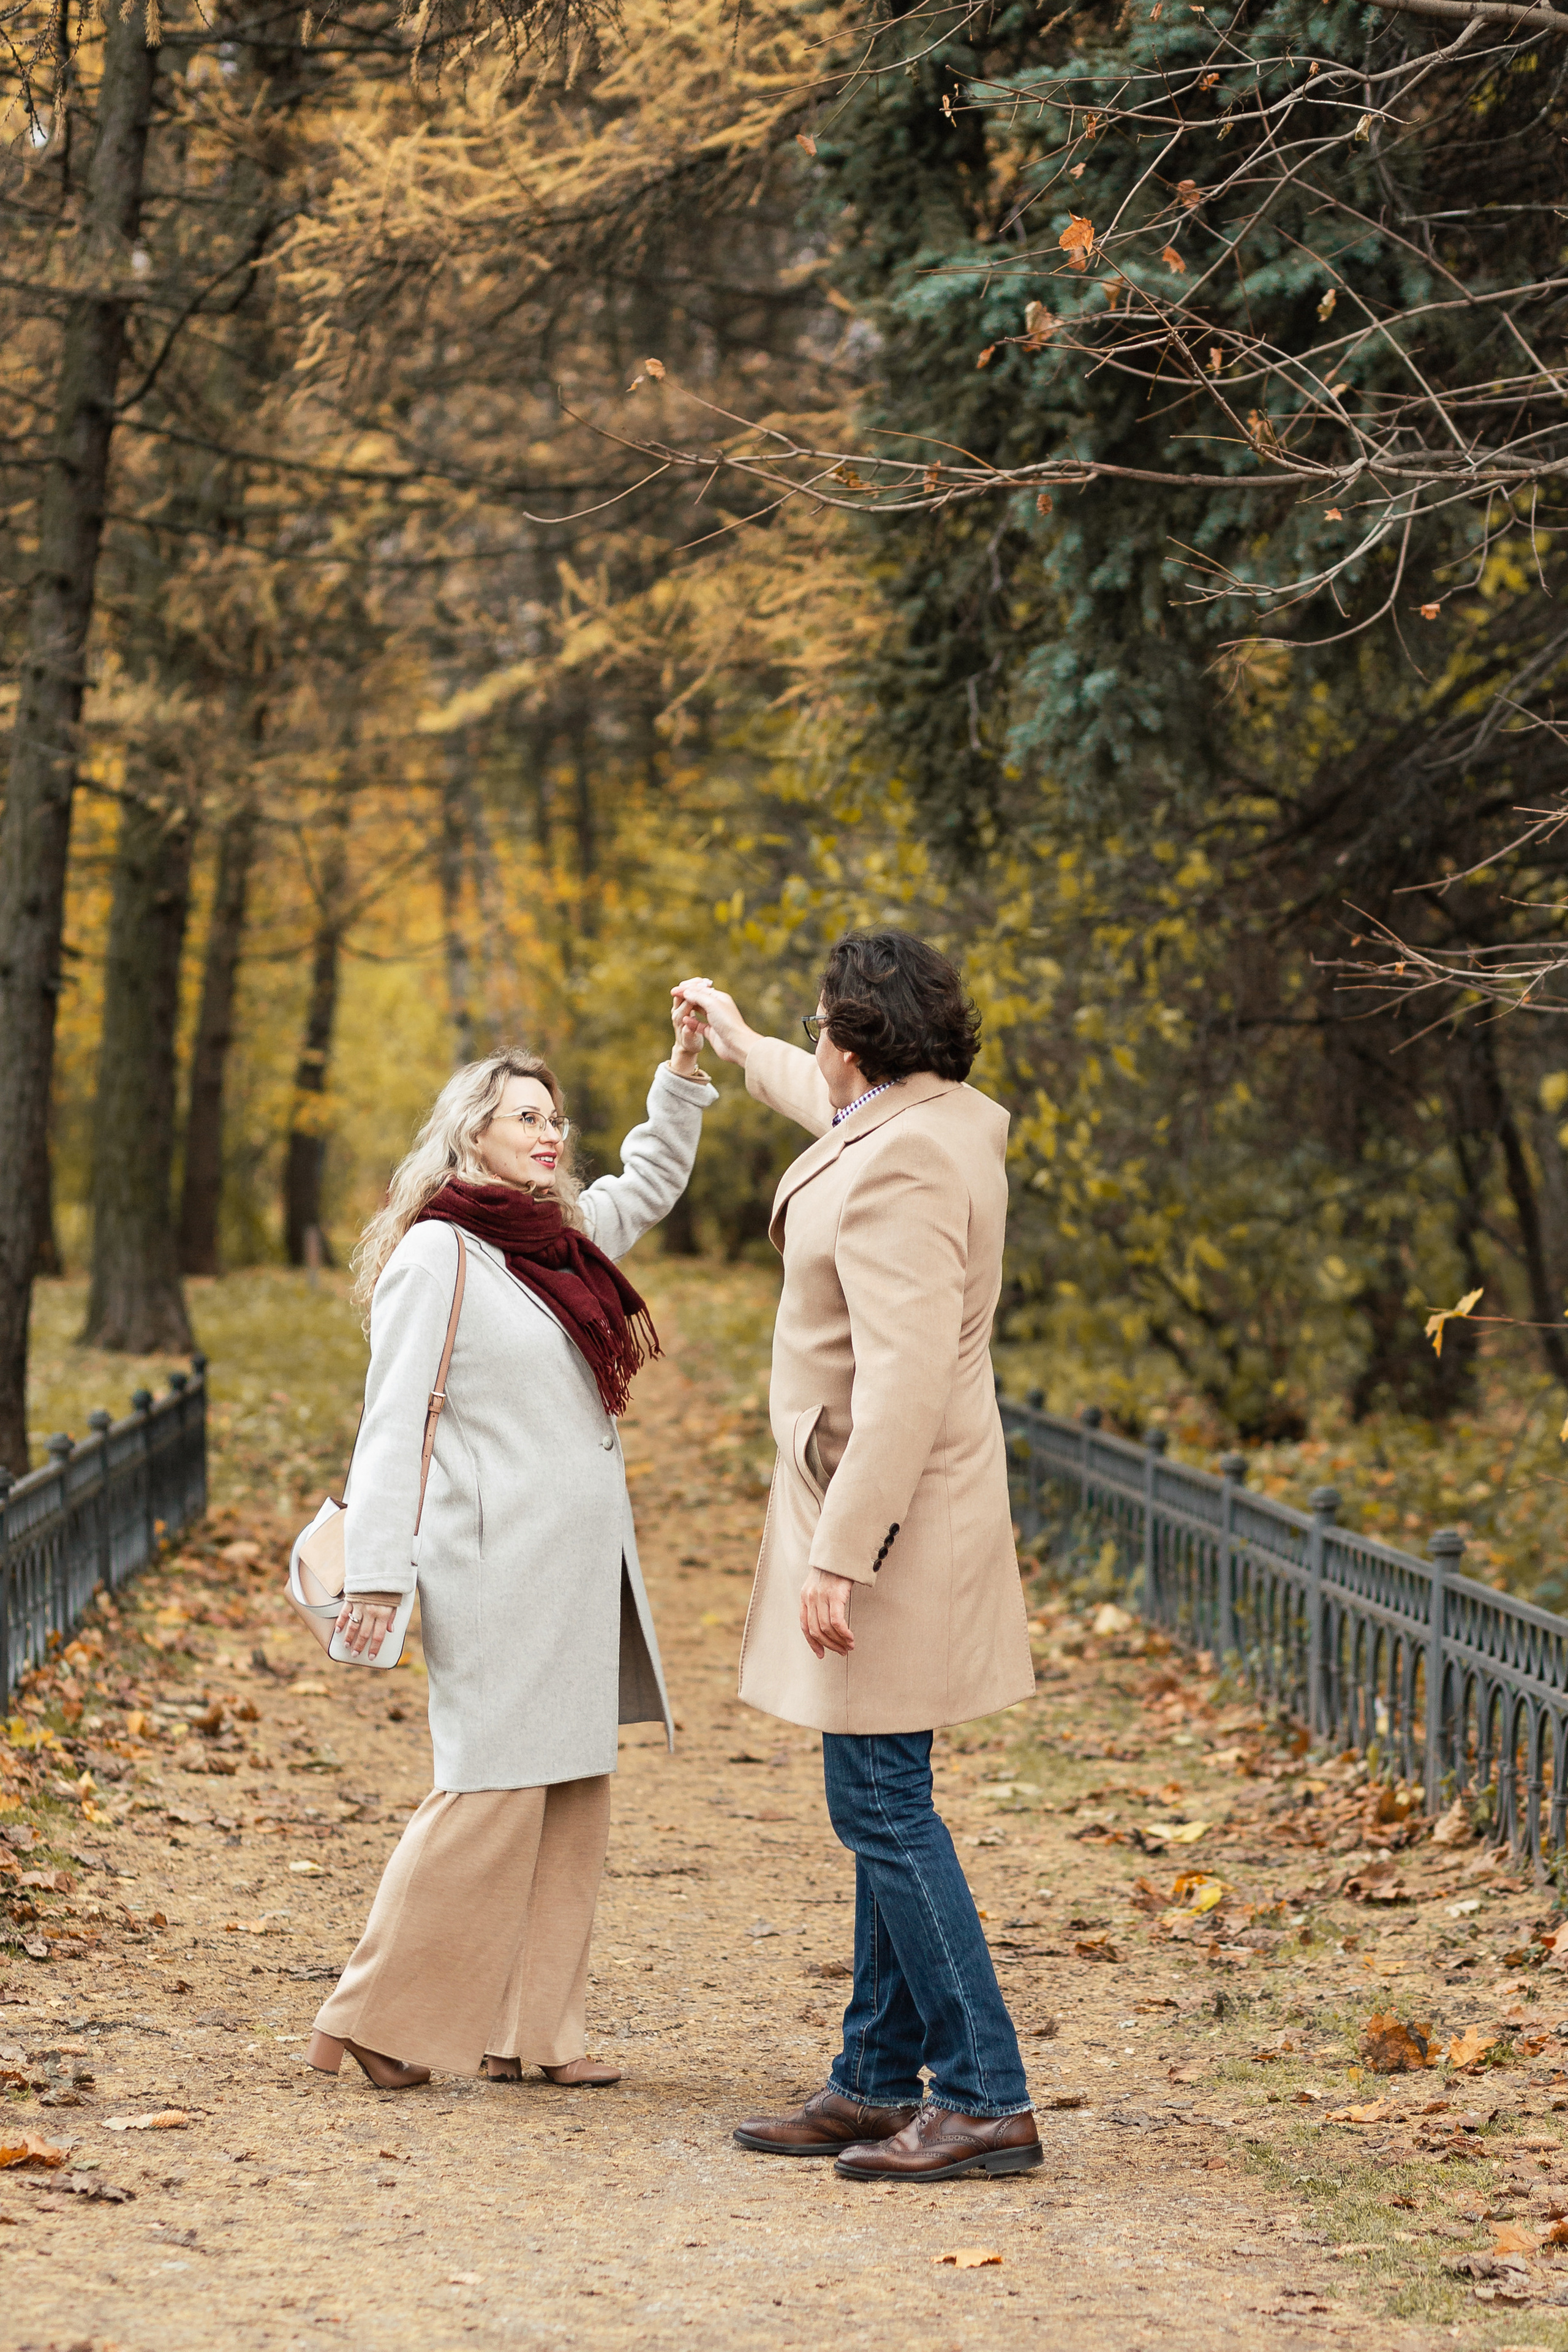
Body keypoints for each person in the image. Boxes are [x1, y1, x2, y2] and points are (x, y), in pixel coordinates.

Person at [674, 937, 1040, 2181]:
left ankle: (984, 2092)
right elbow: (812, 1101)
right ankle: (879, 2079)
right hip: (884, 1512)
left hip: (890, 1521)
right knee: (879, 1793)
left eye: (815, 1026)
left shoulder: (909, 1170)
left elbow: (900, 1388)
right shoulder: (907, 1119)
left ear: (855, 1038)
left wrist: (839, 1556)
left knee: (879, 1803)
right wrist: (726, 1035)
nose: (810, 1044)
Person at [304, 1001, 717, 2092]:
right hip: (492, 1569)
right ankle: (374, 2019)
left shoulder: (556, 1244)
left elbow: (650, 1185)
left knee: (574, 1790)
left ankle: (537, 2035)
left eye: (556, 1118)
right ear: (470, 1134)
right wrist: (382, 1573)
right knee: (486, 1794)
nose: (549, 1133)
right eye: (523, 1116)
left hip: (577, 1573)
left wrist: (679, 1074)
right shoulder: (441, 1251)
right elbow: (397, 1419)